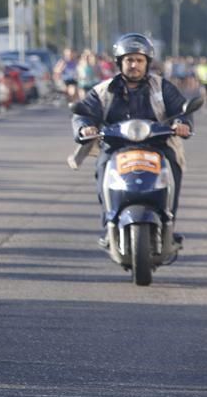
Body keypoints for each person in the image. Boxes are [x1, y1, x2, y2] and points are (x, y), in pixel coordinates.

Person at [72, 33, 193, 246]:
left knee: (173, 169)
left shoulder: (162, 87)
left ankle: (168, 222)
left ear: (147, 62)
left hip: (158, 146)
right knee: (102, 169)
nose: (134, 65)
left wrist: (182, 123)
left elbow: (181, 109)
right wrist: (85, 127)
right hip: (116, 147)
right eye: (129, 60)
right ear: (120, 62)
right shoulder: (104, 90)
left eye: (139, 60)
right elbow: (85, 111)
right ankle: (109, 224)